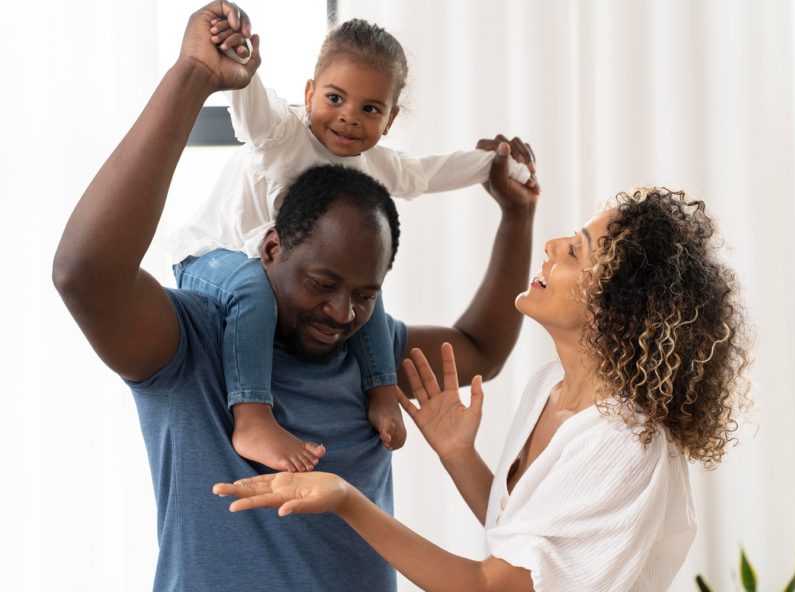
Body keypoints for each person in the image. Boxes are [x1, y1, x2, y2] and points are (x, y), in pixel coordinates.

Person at [51, 2, 538, 591]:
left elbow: (479, 347)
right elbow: (85, 274)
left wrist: (516, 214)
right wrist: (194, 76)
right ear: (273, 250)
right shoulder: (195, 344)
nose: (340, 313)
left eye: (364, 292)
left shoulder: (365, 344)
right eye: (321, 285)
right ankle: (252, 417)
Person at [215, 186, 752, 591]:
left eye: (576, 253)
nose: (553, 245)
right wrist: (457, 454)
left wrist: (347, 501)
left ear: (620, 305)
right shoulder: (551, 390)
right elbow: (523, 540)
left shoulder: (624, 440)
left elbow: (493, 586)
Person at [168, 7, 537, 473]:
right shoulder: (283, 134)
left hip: (274, 277)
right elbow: (252, 108)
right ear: (309, 93)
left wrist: (495, 166)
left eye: (369, 109)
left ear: (389, 118)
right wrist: (243, 64)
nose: (348, 119)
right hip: (216, 259)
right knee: (252, 288)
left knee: (365, 291)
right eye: (335, 98)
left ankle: (382, 387)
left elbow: (427, 174)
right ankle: (253, 416)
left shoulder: (375, 165)